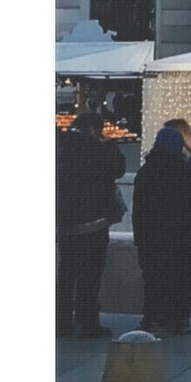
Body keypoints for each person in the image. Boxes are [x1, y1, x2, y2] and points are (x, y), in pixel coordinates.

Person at [132, 121, 191, 335]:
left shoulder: (147, 172)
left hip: (151, 236)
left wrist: (139, 235)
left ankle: (153, 317)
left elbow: (138, 207)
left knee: (153, 278)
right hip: (179, 234)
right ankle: (178, 318)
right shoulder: (187, 170)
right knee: (180, 276)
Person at [56, 109, 126, 339]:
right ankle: (87, 321)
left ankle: (61, 322)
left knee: (66, 273)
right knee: (90, 274)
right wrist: (108, 144)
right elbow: (118, 168)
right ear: (95, 129)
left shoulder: (60, 146)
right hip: (94, 221)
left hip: (66, 223)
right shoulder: (97, 148)